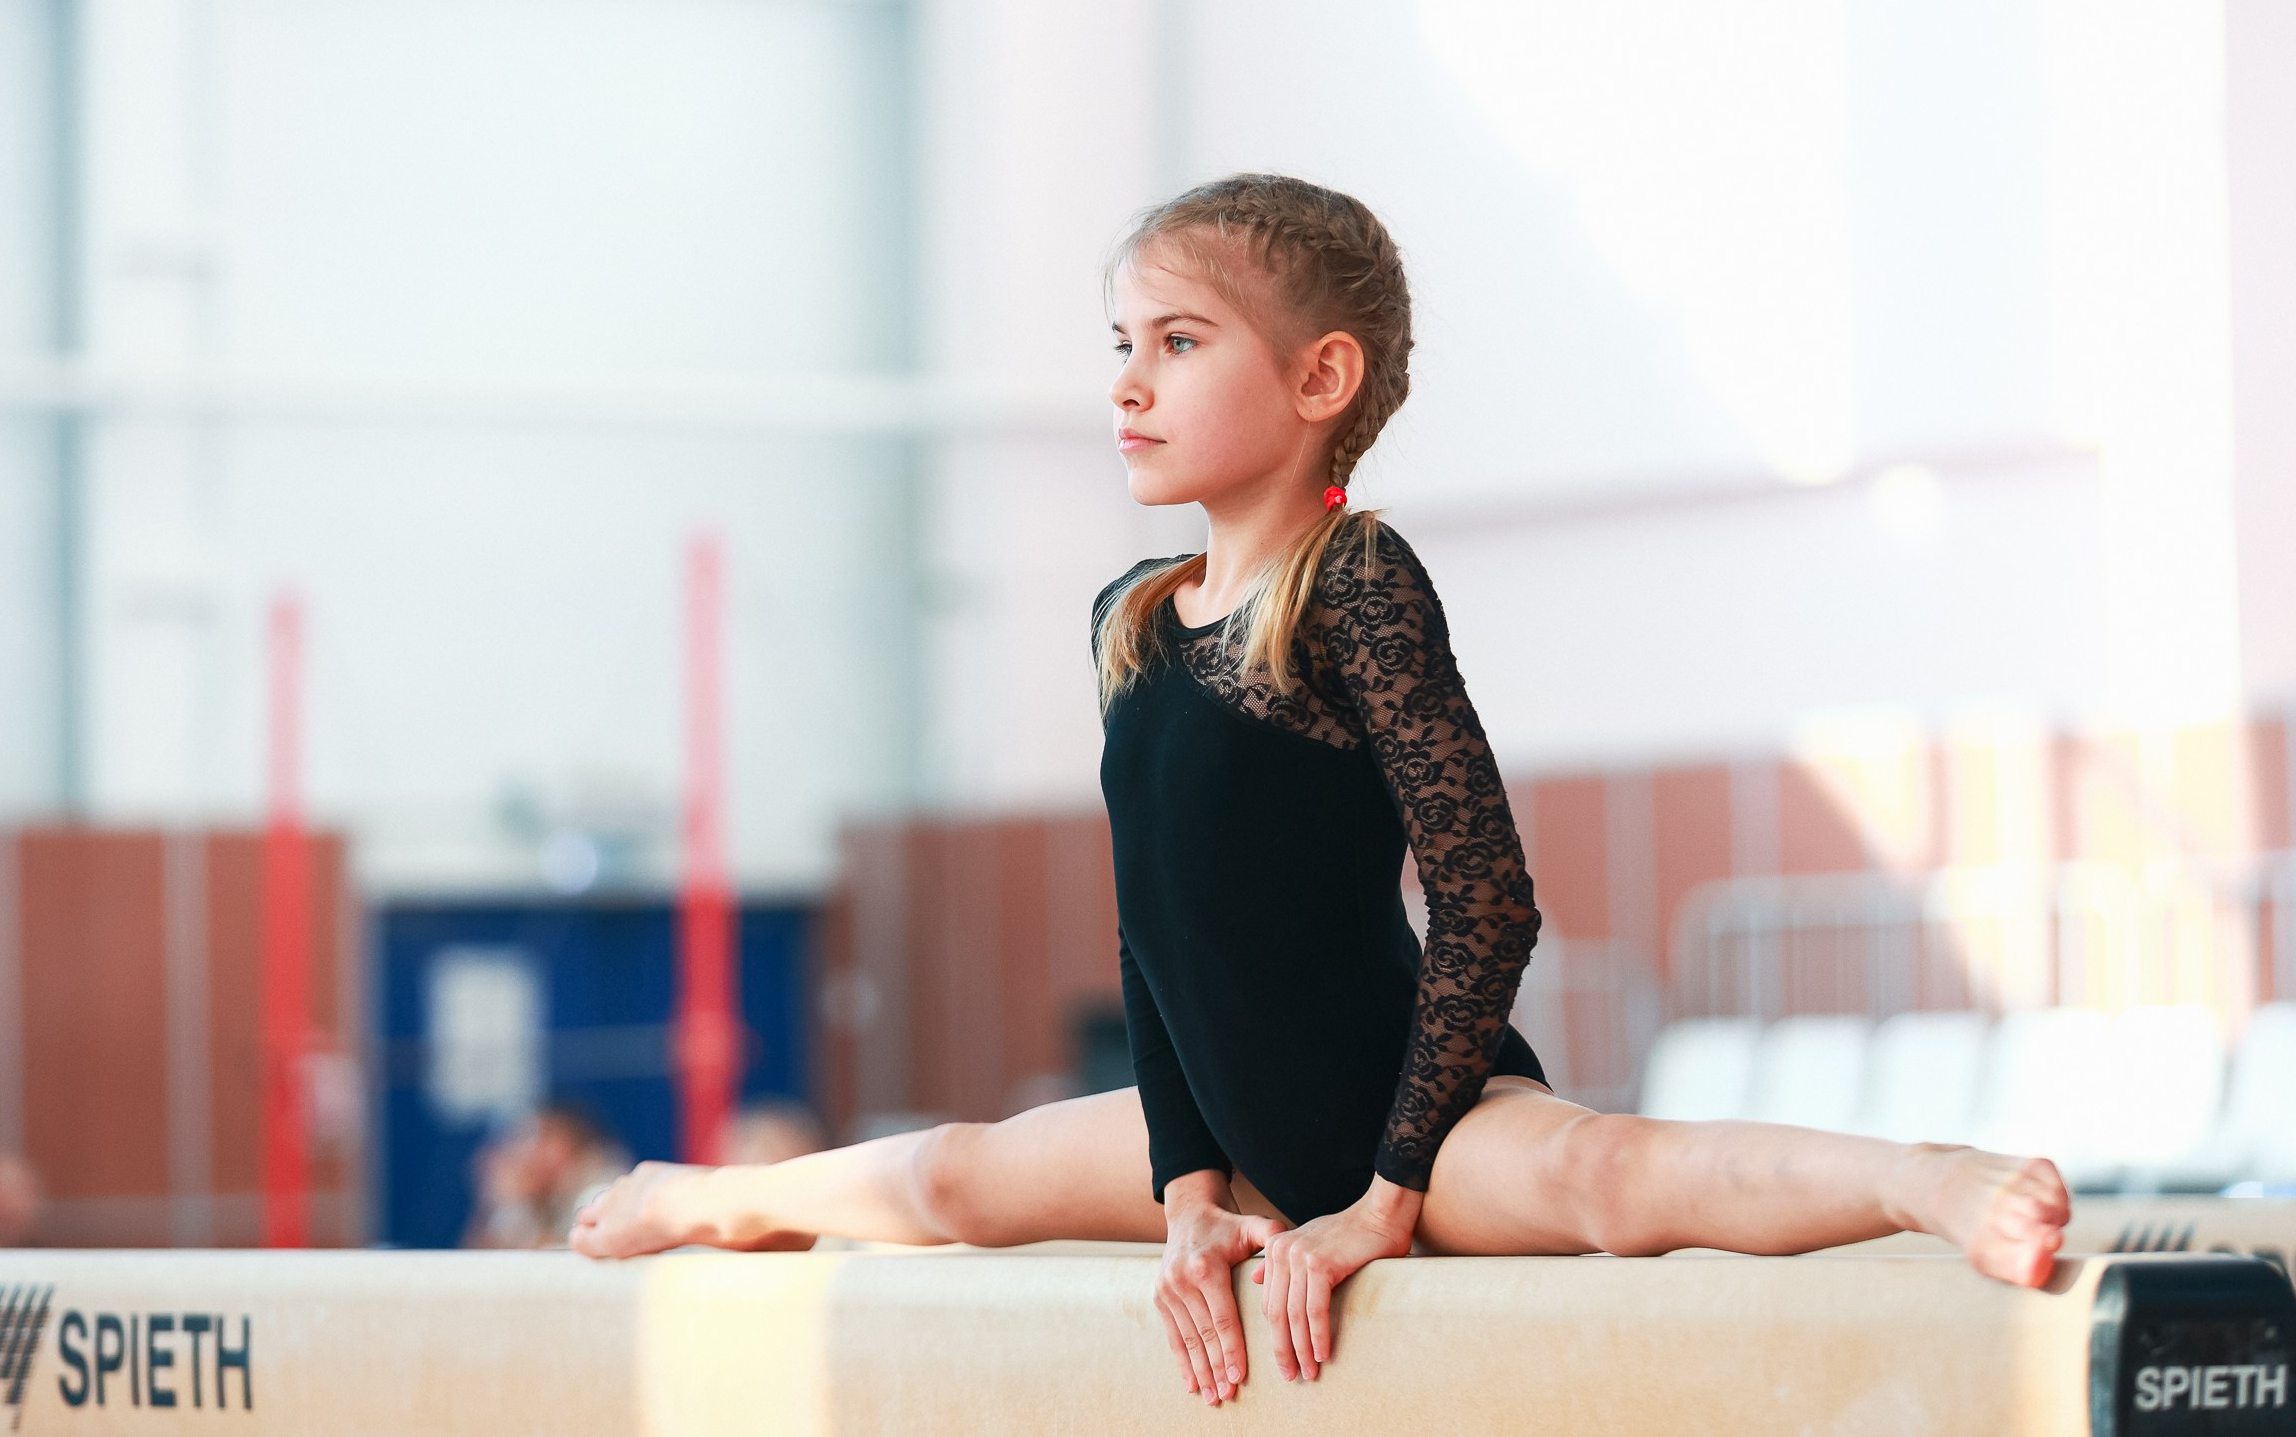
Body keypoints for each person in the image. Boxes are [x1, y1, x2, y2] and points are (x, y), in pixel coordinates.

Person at [573, 174, 2071, 1405]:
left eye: (1177, 341)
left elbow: (1490, 895)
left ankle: (1928, 1178)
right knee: (964, 1177)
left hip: (1411, 1119)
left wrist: (1389, 1189)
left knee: (1618, 1180)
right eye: (1120, 342)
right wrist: (1187, 1194)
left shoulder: (1352, 580)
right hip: (1226, 1133)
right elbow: (1150, 930)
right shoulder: (1132, 616)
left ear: (1318, 376)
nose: (1127, 382)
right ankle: (706, 1195)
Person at [467, 1101, 627, 1250]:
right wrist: (492, 1205)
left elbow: (567, 1261)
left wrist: (513, 1205)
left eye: (544, 1137)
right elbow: (475, 1262)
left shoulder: (601, 1183)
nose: (530, 1152)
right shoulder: (543, 1192)